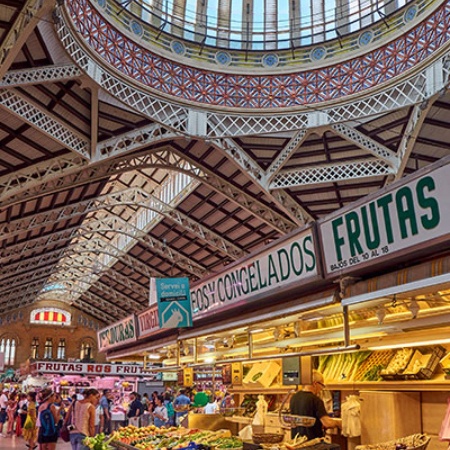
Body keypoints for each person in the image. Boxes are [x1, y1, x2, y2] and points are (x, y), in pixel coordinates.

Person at [289, 370, 342, 440]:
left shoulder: (294, 397)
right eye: (322, 385)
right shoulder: (316, 400)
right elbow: (327, 423)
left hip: (296, 442)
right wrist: (339, 423)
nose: (321, 389)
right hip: (312, 443)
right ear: (315, 384)